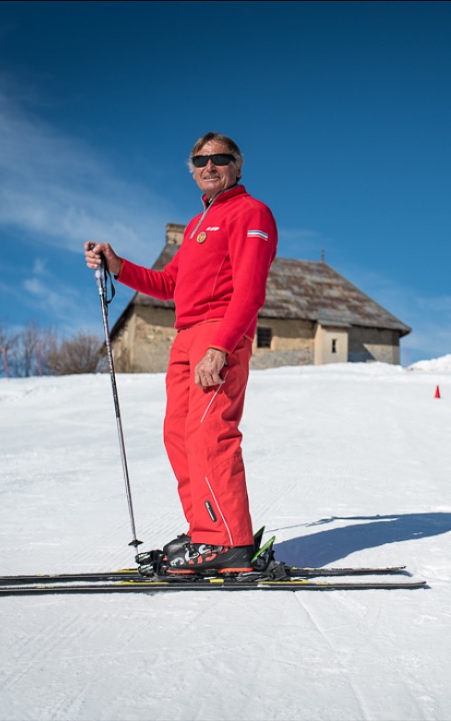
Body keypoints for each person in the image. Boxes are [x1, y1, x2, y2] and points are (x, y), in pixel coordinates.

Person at [85, 132, 277, 573]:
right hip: (185, 335)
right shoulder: (195, 226)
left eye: (219, 158)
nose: (209, 166)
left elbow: (249, 290)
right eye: (200, 160)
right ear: (192, 170)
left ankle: (228, 540)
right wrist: (118, 265)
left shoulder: (251, 212)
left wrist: (221, 346)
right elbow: (169, 285)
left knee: (211, 432)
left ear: (237, 166)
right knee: (180, 436)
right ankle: (204, 531)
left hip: (218, 332)